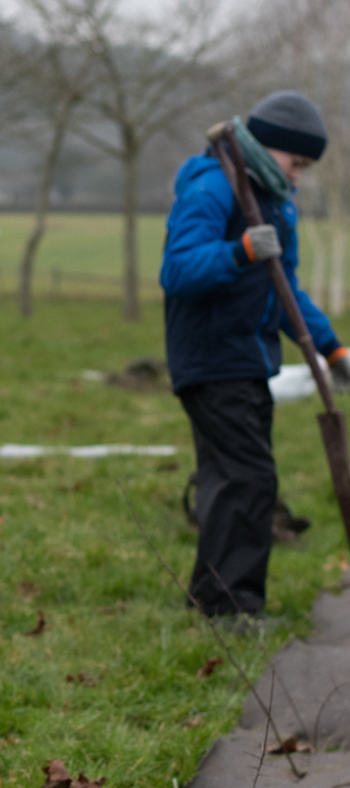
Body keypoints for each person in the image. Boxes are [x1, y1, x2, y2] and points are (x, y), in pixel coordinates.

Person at [161, 90, 350, 619]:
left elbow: (284, 288)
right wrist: (239, 251)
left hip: (247, 359)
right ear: (270, 148)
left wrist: (333, 348)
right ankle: (230, 607)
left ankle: (215, 597)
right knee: (247, 480)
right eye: (298, 163)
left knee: (236, 478)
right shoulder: (214, 186)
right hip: (211, 358)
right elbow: (177, 271)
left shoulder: (271, 199)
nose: (300, 176)